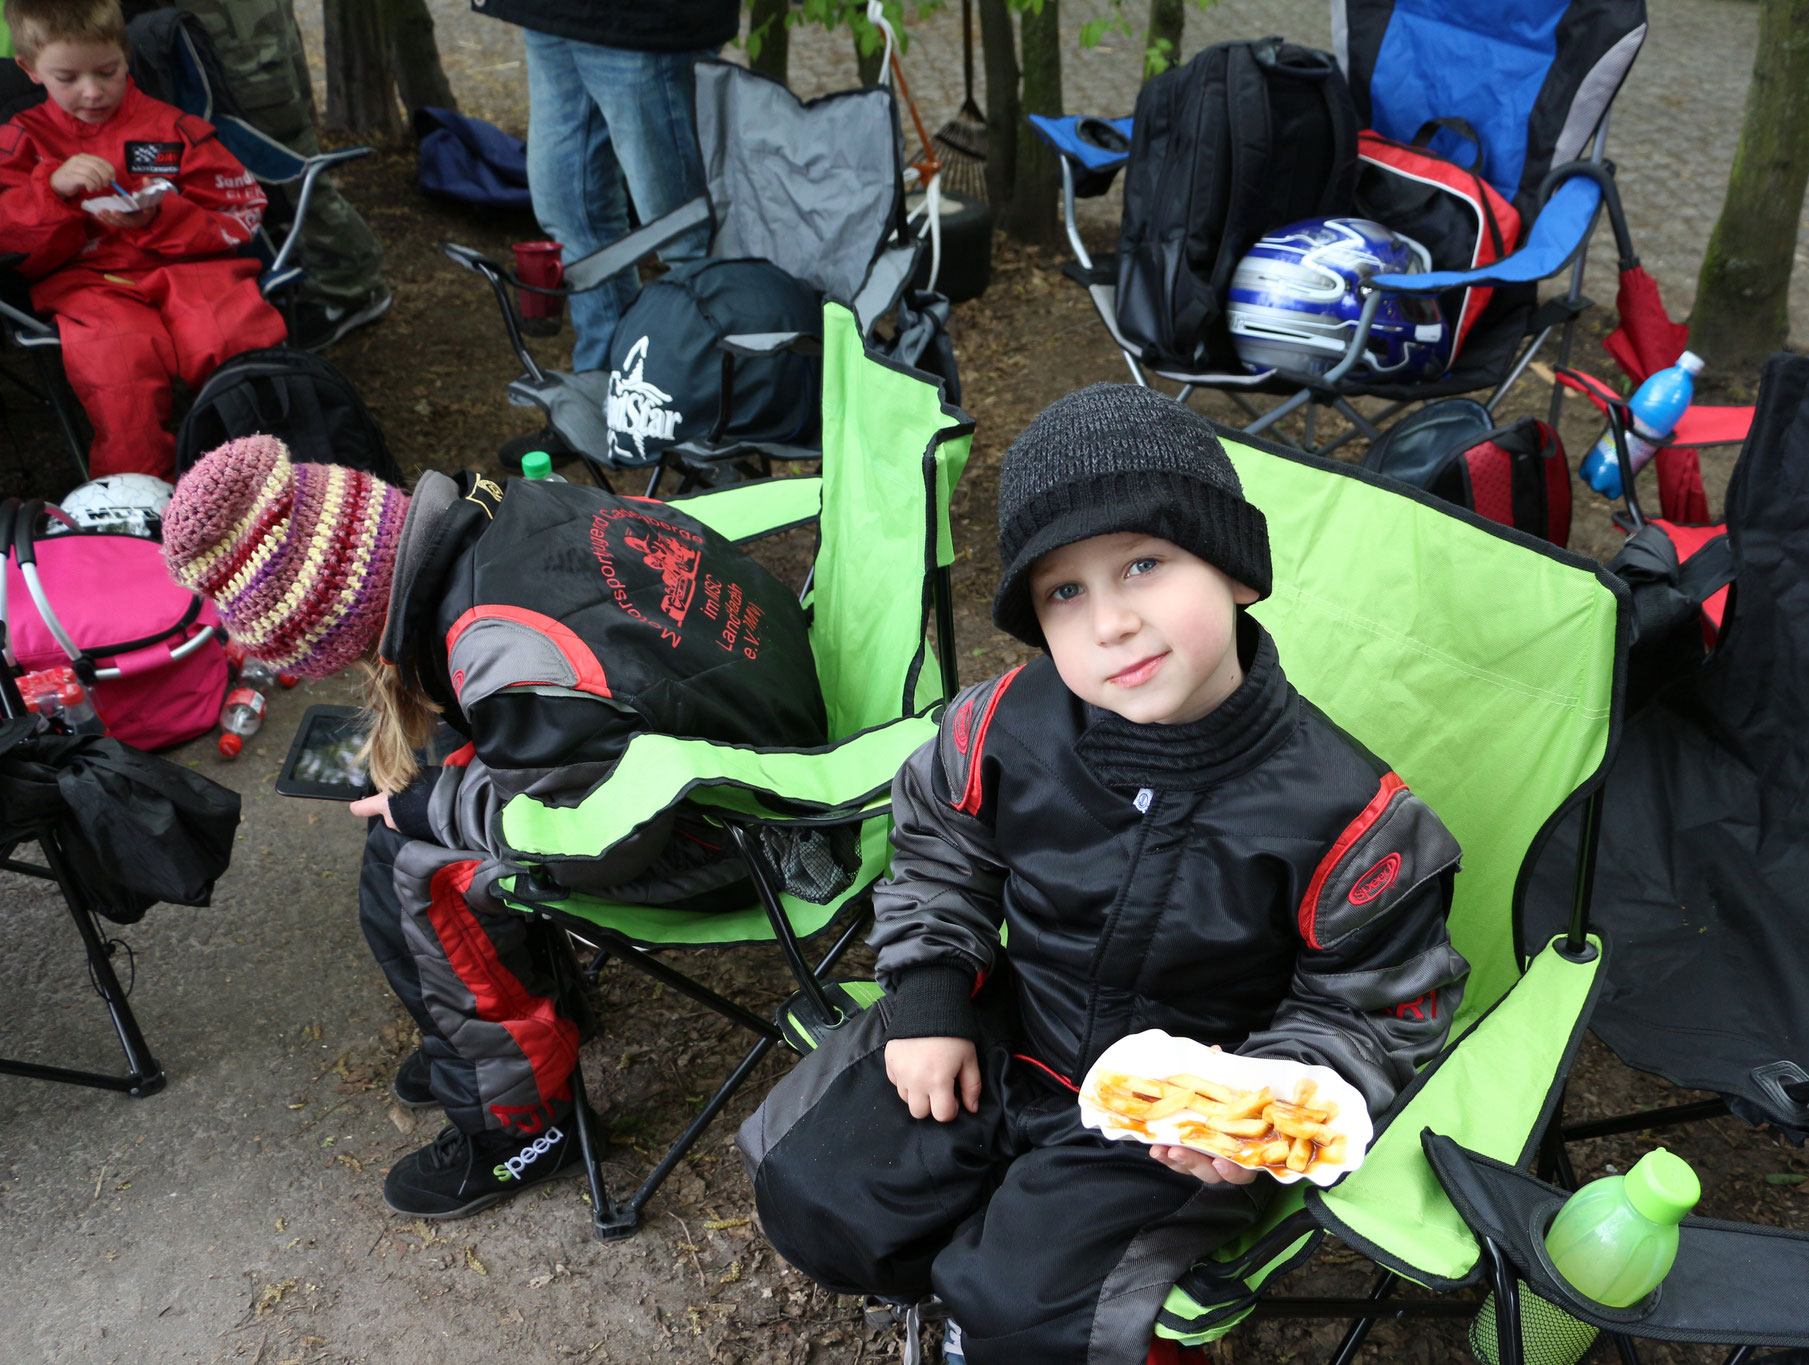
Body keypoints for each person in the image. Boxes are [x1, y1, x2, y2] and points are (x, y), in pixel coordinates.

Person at [740, 384, 1472, 1363]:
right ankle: (959, 1259)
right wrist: (925, 998)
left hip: (1176, 1103)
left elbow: (1377, 1009)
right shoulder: (1001, 721)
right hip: (1018, 1027)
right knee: (821, 1187)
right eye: (1063, 591)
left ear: (1234, 571)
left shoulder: (1349, 817)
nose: (1111, 621)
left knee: (1027, 1302)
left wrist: (1260, 1105)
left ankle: (991, 1317)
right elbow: (936, 844)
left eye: (1142, 563)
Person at [160, 436, 830, 1219]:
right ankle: (503, 1033)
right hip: (760, 718)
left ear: (334, 619)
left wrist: (425, 808)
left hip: (743, 827)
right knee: (440, 765)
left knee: (412, 865)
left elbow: (596, 832)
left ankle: (521, 1129)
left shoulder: (499, 655)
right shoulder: (510, 506)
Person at [0, 0, 283, 480]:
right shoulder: (22, 140)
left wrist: (163, 216)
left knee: (230, 338)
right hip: (90, 283)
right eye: (67, 78)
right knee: (120, 375)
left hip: (191, 269)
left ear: (125, 56)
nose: (92, 92)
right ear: (29, 70)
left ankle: (257, 476)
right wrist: (50, 192)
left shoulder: (170, 129)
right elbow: (12, 248)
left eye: (107, 71)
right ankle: (139, 503)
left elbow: (240, 212)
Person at [473, 0, 735, 374]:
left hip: (643, 22)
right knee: (570, 215)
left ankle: (724, 398)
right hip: (548, 16)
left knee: (683, 235)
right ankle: (610, 387)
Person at [172, 0, 391, 351]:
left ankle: (351, 287)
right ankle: (300, 265)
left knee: (285, 159)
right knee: (264, 150)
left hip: (232, 22)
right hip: (223, 24)